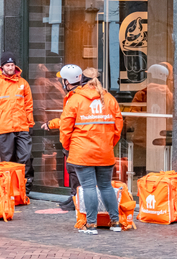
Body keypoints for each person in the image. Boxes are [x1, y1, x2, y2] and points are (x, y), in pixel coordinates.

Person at [58, 65, 124, 234]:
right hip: (105, 151)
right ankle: (116, 222)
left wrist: (68, 147)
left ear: (81, 81)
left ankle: (91, 224)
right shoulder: (109, 99)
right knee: (106, 186)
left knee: (88, 187)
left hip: (82, 152)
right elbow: (118, 126)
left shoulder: (75, 99)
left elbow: (65, 128)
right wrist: (109, 144)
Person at [0, 51, 35, 193]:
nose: (11, 68)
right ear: (2, 67)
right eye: (8, 65)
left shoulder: (23, 84)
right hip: (4, 128)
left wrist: (30, 124)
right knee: (7, 161)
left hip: (22, 127)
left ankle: (24, 187)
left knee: (25, 157)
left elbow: (29, 106)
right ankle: (10, 189)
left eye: (12, 65)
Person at [40, 65, 87, 210]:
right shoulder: (79, 95)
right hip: (80, 139)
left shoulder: (75, 98)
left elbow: (67, 123)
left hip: (75, 140)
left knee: (75, 171)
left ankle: (77, 200)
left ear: (67, 81)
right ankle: (74, 197)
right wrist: (52, 123)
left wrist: (65, 144)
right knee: (74, 172)